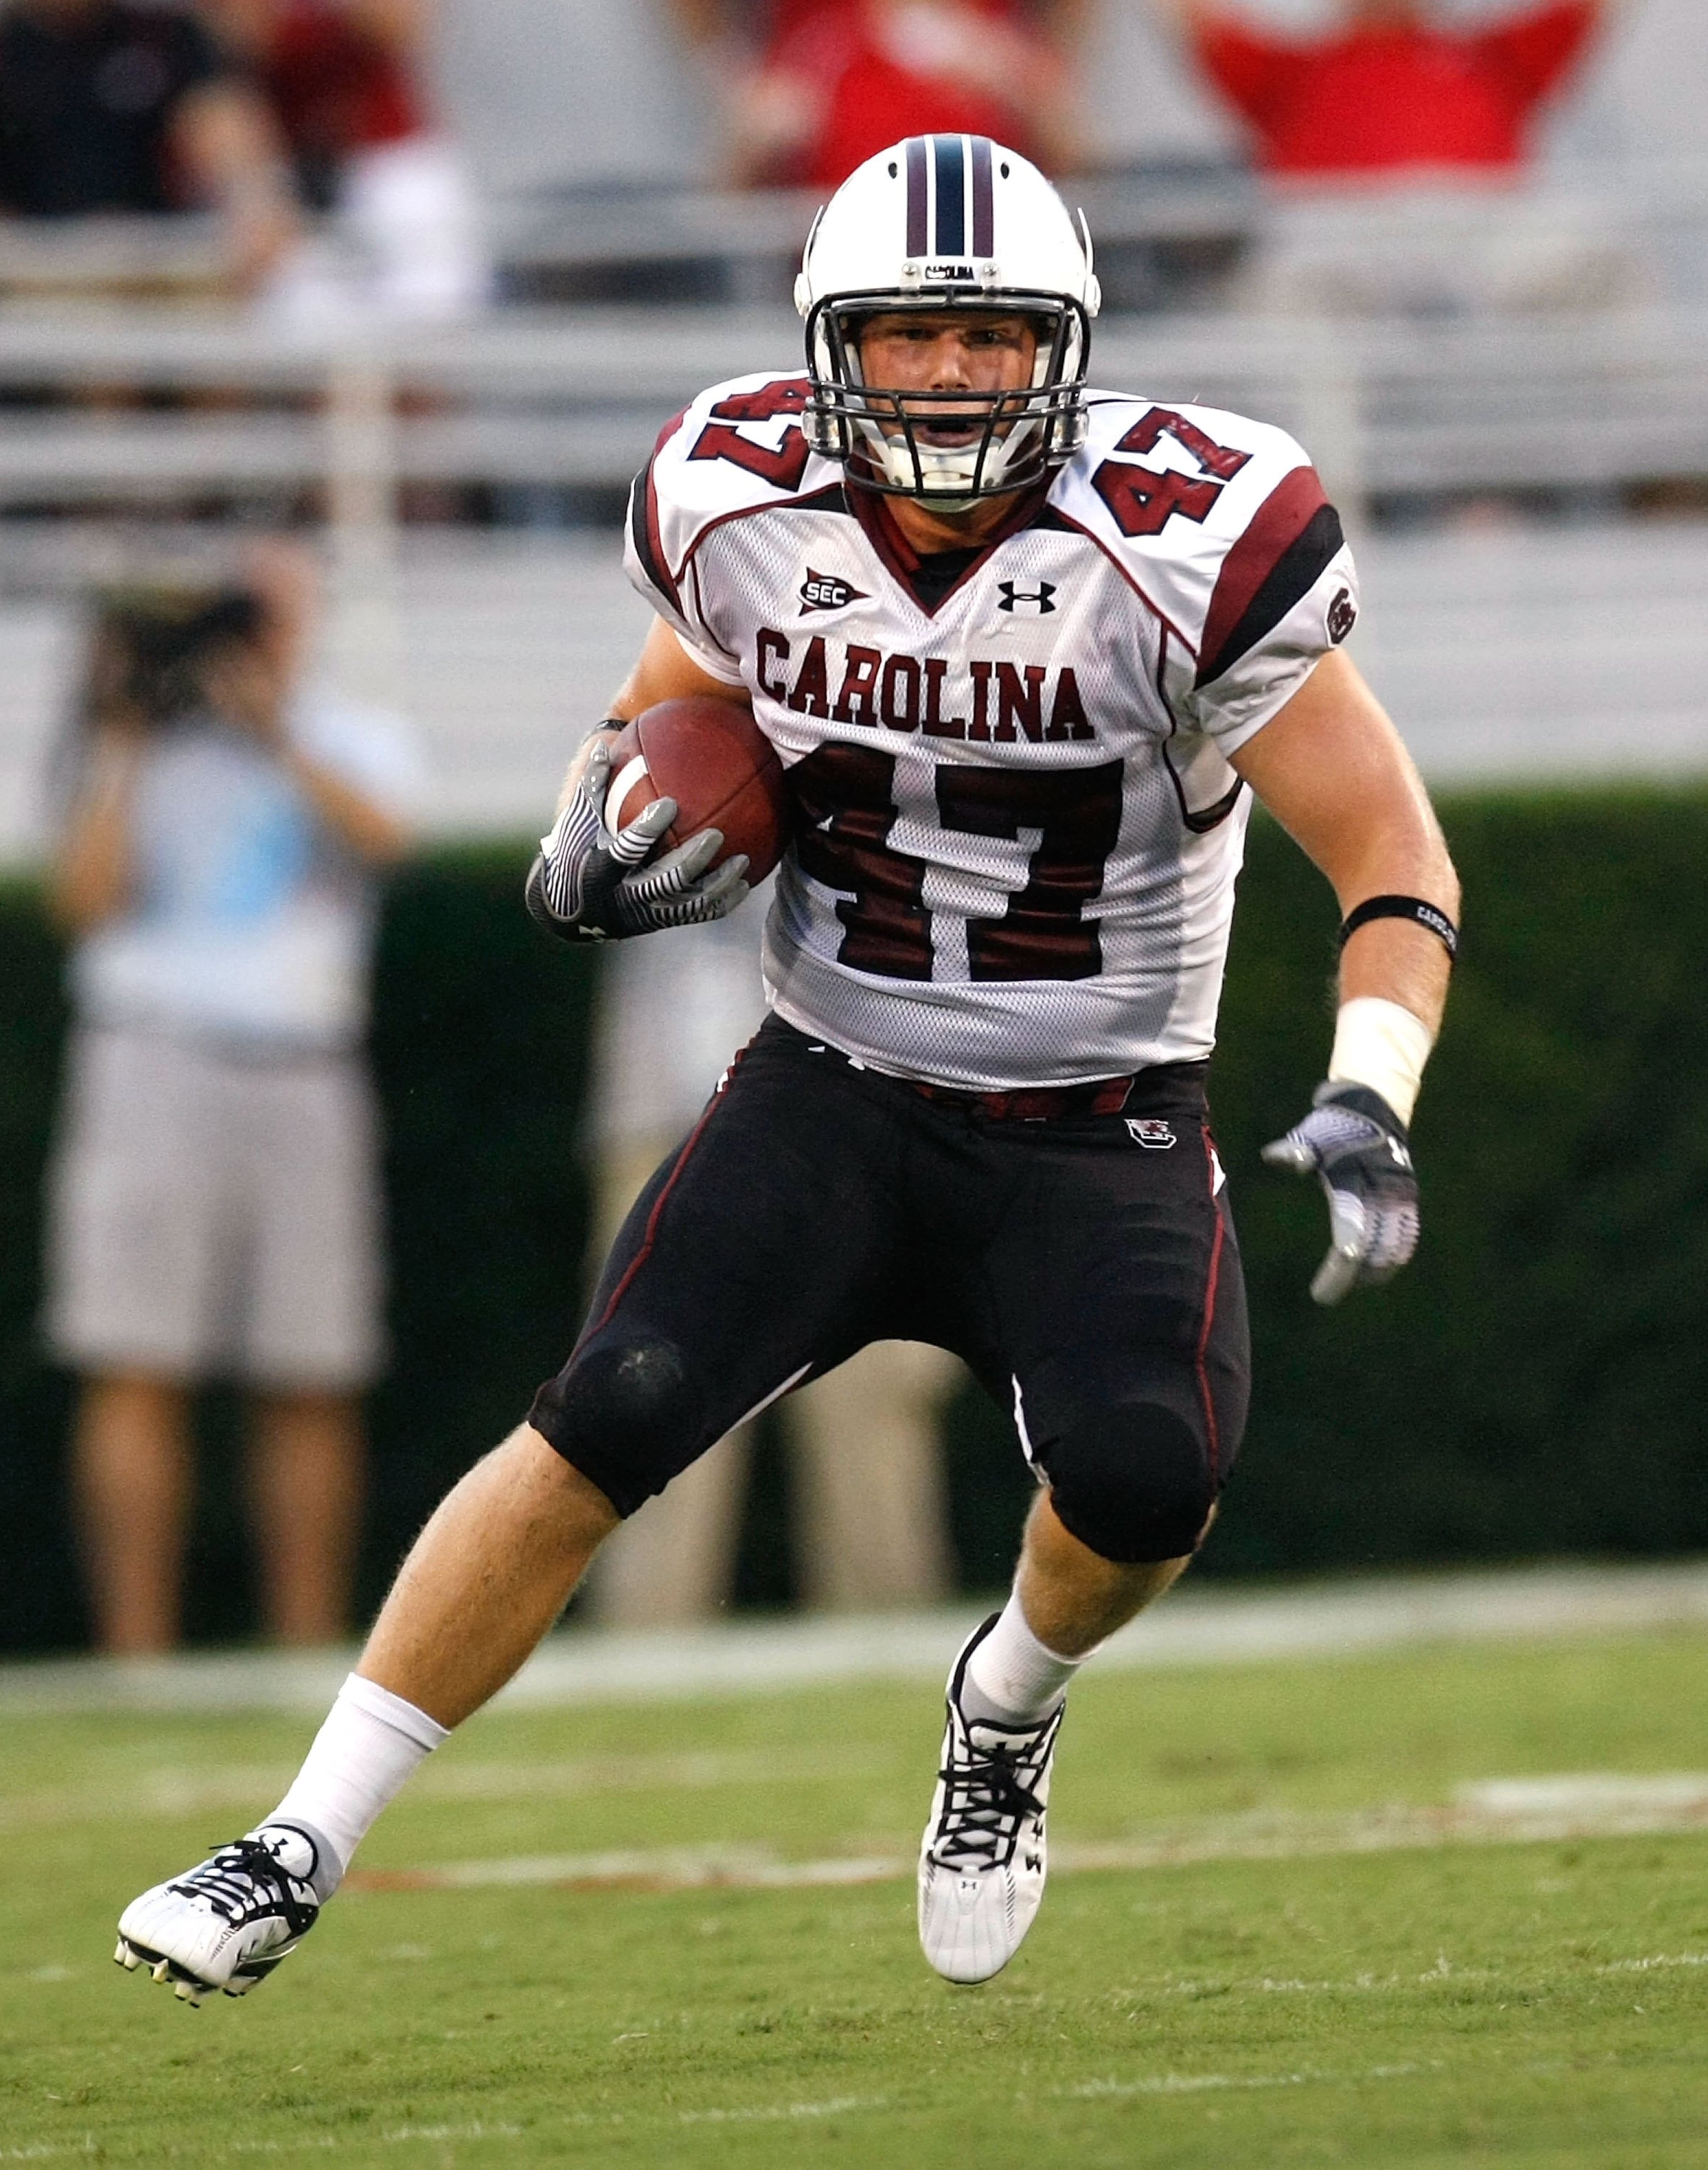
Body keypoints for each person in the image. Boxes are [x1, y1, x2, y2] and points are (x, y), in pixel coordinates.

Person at [113, 134, 1458, 2000]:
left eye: (994, 338)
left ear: (1067, 348)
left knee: (1149, 1482)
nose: (951, 377)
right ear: (835, 347)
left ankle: (1005, 1707)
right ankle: (296, 1840)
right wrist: (602, 819)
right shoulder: (737, 502)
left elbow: (1392, 851)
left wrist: (1370, 1089)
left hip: (1102, 1118)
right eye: (908, 333)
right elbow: (667, 700)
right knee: (604, 1414)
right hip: (833, 1082)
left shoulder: (1188, 541)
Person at [45, 547, 421, 1654]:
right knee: (134, 1356)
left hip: (303, 1063)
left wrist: (276, 729)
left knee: (312, 1363)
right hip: (151, 1055)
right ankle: (136, 1648)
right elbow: (82, 900)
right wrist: (122, 731)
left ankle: (304, 1637)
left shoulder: (349, 731)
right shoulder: (135, 737)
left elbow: (385, 841)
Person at [584, 894, 958, 1624]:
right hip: (674, 1105)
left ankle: (895, 1665)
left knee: (873, 1441)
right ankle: (642, 1658)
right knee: (645, 1409)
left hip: (863, 1101)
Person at [0, 0, 298, 292]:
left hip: (166, 265)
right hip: (47, 278)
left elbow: (221, 119)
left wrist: (254, 199)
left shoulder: (163, 37)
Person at [203, 0, 491, 325]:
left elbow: (402, 30)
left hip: (389, 157)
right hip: (293, 166)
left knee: (431, 318)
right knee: (298, 320)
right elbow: (230, 60)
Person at [1156, 0, 1608, 182]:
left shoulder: (1495, 59)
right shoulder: (1291, 73)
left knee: (1596, 265)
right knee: (1284, 301)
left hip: (1485, 238)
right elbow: (1193, 19)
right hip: (1338, 244)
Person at [666, 0, 1089, 188]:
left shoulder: (996, 56)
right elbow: (729, 207)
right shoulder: (815, 50)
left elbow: (1079, 169)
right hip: (840, 294)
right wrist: (730, 82)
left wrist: (1029, 88)